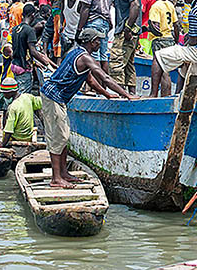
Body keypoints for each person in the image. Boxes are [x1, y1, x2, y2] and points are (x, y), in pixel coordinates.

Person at [40, 28, 135, 188]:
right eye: (98, 40)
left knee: (63, 136)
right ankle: (56, 178)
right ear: (91, 42)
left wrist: (106, 94)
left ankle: (63, 173)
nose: (100, 43)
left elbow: (90, 80)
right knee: (58, 137)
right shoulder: (84, 57)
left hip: (58, 98)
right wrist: (127, 95)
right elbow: (103, 76)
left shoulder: (76, 52)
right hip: (53, 96)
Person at [109, 0, 142, 96]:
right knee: (128, 64)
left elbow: (135, 4)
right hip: (128, 29)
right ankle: (131, 94)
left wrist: (127, 28)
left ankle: (120, 97)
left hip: (125, 30)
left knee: (117, 64)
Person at [11, 4, 56, 95]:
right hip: (24, 67)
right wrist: (46, 63)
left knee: (16, 92)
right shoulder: (29, 30)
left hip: (15, 64)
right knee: (22, 96)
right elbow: (33, 51)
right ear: (32, 15)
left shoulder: (15, 29)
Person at [0, 78, 43, 146]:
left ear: (10, 92)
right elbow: (41, 102)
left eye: (4, 93)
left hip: (17, 137)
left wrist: (2, 145)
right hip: (28, 136)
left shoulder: (13, 107)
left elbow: (9, 131)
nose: (3, 95)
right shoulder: (28, 97)